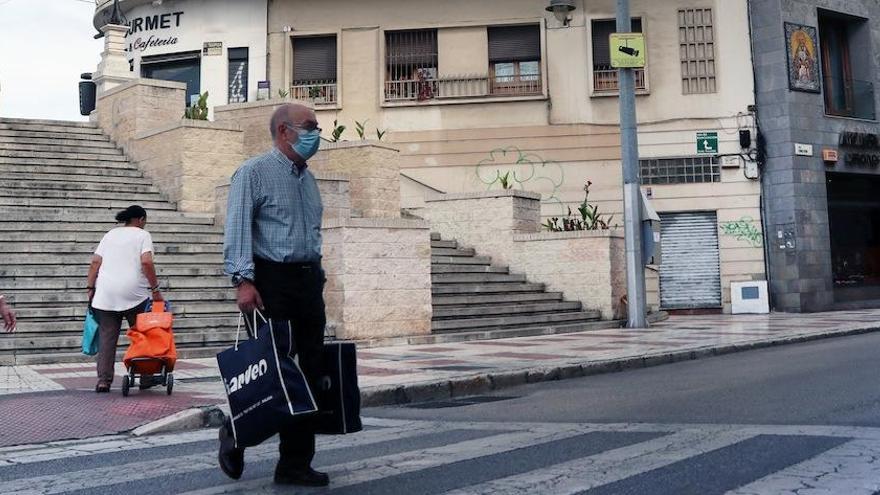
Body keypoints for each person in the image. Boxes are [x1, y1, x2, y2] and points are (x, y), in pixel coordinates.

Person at [220, 103, 327, 487]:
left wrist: (319, 273)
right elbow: (237, 228)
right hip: (270, 282)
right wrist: (243, 281)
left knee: (311, 371)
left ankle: (295, 463)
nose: (318, 133)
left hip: (308, 282)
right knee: (273, 373)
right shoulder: (253, 173)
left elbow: (311, 233)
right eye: (310, 126)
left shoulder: (308, 179)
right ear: (284, 131)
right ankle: (236, 431)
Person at [86, 205, 164, 393]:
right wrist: (155, 289)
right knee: (141, 335)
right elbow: (146, 261)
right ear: (141, 219)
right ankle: (145, 377)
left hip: (106, 293)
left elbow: (96, 261)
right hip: (134, 293)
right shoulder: (142, 235)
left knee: (107, 338)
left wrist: (90, 287)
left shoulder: (110, 234)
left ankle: (104, 381)